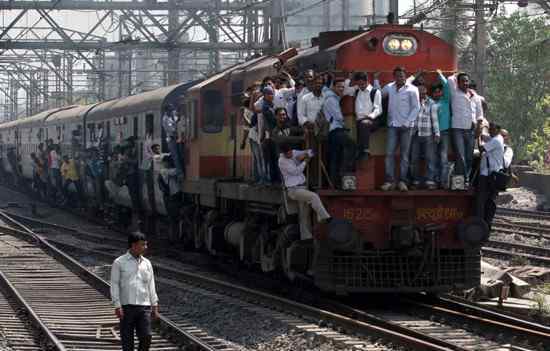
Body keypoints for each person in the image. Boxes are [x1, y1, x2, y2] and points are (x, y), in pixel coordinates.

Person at [110, 232, 159, 351]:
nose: (146, 247)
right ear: (133, 245)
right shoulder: (119, 262)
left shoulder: (147, 263)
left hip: (144, 307)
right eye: (143, 245)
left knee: (146, 336)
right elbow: (114, 284)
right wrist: (117, 305)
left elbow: (151, 284)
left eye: (146, 244)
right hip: (127, 307)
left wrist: (155, 305)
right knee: (127, 342)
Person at [379, 66, 421, 192]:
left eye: (402, 76)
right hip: (392, 125)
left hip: (406, 127)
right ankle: (389, 181)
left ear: (405, 76)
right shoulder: (389, 87)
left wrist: (408, 122)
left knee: (404, 155)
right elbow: (378, 95)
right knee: (389, 154)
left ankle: (403, 181)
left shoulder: (413, 89)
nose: (400, 78)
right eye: (398, 76)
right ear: (394, 77)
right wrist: (375, 81)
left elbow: (416, 107)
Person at [278, 143, 331, 239]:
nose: (290, 154)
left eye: (290, 152)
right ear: (283, 153)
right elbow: (296, 171)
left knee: (304, 215)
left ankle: (306, 238)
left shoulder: (293, 153)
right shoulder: (282, 161)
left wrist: (305, 154)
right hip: (294, 190)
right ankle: (325, 217)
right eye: (288, 154)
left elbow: (310, 152)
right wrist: (305, 161)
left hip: (302, 187)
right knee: (314, 196)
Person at [448, 72, 484, 187]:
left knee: (469, 157)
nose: (465, 83)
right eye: (462, 81)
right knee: (460, 156)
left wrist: (479, 128)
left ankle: (465, 180)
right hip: (457, 128)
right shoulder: (454, 93)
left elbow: (480, 114)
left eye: (467, 81)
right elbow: (449, 79)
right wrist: (458, 73)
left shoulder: (475, 97)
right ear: (458, 83)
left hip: (471, 130)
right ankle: (459, 182)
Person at [322, 77, 356, 188]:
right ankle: (345, 171)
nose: (341, 89)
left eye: (342, 87)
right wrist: (345, 125)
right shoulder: (332, 99)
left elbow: (349, 90)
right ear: (333, 87)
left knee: (335, 157)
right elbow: (338, 116)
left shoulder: (332, 97)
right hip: (335, 130)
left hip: (332, 131)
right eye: (339, 87)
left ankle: (334, 182)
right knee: (351, 145)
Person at [344, 72, 383, 161]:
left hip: (372, 120)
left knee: (364, 124)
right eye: (358, 84)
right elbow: (345, 91)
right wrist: (348, 79)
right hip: (359, 121)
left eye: (362, 84)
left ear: (367, 81)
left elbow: (378, 109)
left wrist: (369, 116)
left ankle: (365, 151)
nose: (361, 86)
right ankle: (360, 150)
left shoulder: (375, 92)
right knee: (361, 125)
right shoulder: (357, 90)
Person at [410, 85, 439, 189]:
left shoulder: (431, 103)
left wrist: (437, 133)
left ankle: (430, 180)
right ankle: (416, 181)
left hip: (428, 134)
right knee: (414, 159)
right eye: (421, 93)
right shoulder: (413, 102)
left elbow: (434, 119)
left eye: (424, 93)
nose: (423, 95)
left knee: (430, 158)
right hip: (415, 134)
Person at [476, 123, 504, 228]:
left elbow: (481, 148)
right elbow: (486, 137)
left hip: (487, 176)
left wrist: (478, 136)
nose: (490, 131)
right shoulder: (498, 138)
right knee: (489, 201)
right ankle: (487, 224)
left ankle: (480, 224)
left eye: (492, 129)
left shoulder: (496, 140)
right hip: (493, 176)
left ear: (498, 130)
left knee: (481, 200)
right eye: (490, 129)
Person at [433, 70, 452, 188]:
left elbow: (446, 86)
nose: (437, 93)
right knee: (433, 157)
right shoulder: (430, 103)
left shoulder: (445, 100)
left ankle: (444, 181)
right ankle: (435, 180)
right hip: (434, 133)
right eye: (434, 92)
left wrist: (440, 74)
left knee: (443, 156)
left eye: (438, 91)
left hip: (444, 132)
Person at [162, 104, 183, 176]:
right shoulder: (165, 119)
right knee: (175, 156)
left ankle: (181, 169)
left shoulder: (172, 116)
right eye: (170, 110)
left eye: (172, 110)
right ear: (166, 111)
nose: (172, 111)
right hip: (171, 139)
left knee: (180, 155)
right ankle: (179, 171)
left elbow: (178, 118)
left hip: (176, 138)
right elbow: (172, 130)